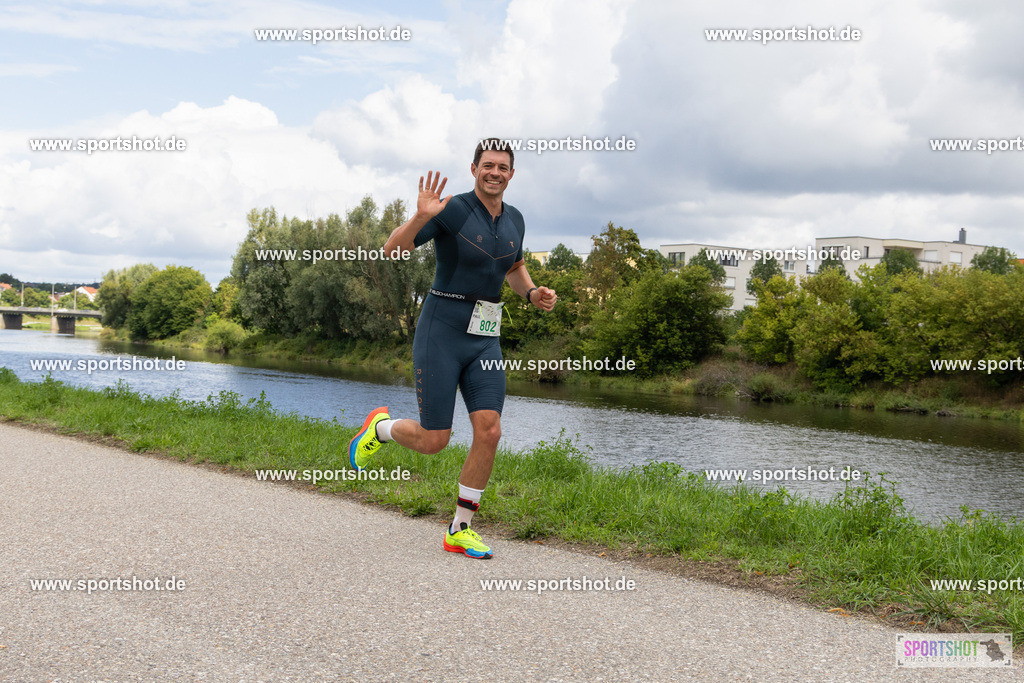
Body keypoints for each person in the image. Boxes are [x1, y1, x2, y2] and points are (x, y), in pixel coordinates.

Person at [348, 138, 556, 559]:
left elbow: (513, 266)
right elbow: (393, 250)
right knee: (434, 440)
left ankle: (460, 528)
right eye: (487, 165)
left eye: (502, 166)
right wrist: (418, 217)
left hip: (485, 338)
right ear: (474, 168)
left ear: (512, 174)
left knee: (490, 430)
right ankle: (380, 429)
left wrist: (532, 294)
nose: (495, 172)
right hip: (441, 330)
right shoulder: (454, 210)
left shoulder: (515, 218)